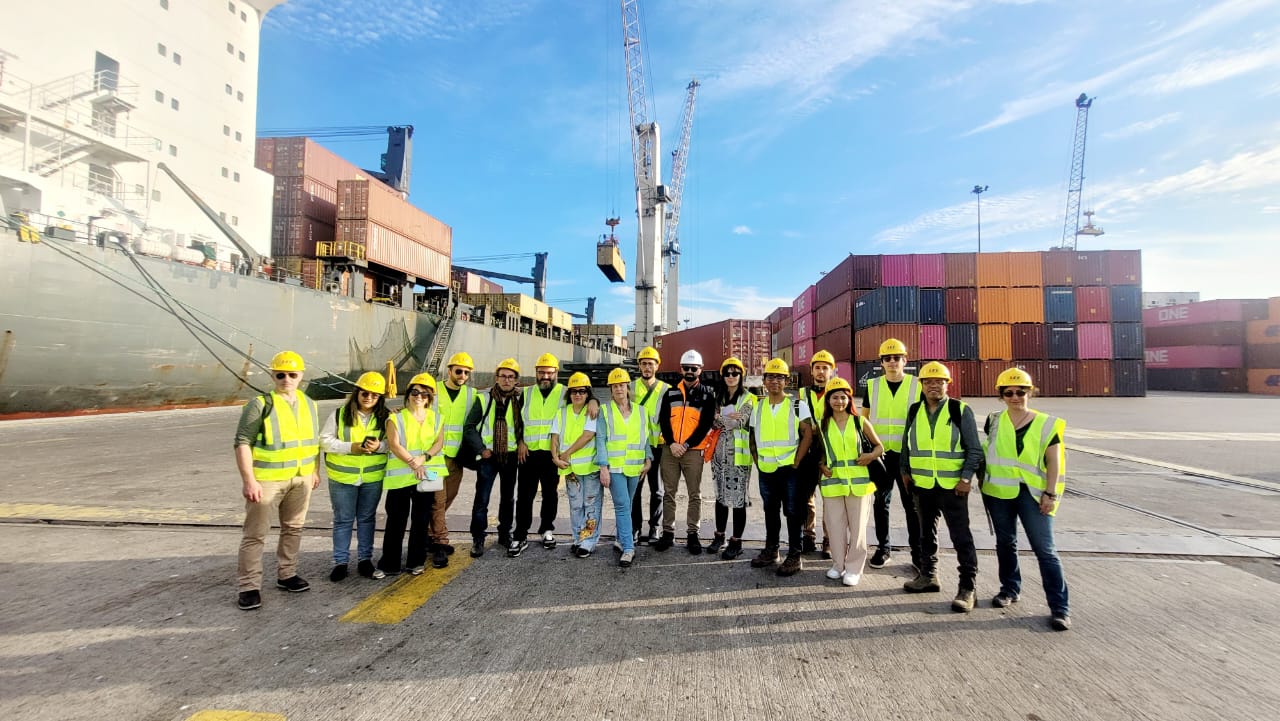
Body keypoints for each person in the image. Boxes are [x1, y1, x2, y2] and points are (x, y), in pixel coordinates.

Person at [981, 367, 1072, 631]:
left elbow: (1054, 461)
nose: (1015, 397)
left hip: (1033, 495)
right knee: (1005, 543)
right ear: (1001, 395)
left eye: (1020, 392)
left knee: (1045, 550)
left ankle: (1060, 608)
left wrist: (1050, 494)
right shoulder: (993, 420)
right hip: (999, 492)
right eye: (1008, 392)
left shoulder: (1047, 423)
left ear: (1030, 392)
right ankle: (1009, 589)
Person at [233, 350, 321, 611]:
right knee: (255, 534)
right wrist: (249, 480)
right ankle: (249, 586)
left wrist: (314, 471)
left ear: (301, 376)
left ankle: (287, 574)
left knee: (294, 528)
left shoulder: (310, 404)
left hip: (301, 478)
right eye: (280, 375)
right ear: (272, 376)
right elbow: (242, 442)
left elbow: (314, 442)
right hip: (268, 481)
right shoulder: (260, 404)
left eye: (292, 375)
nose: (286, 380)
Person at [900, 361, 984, 612]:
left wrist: (966, 478)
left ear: (948, 384)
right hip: (922, 484)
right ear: (922, 385)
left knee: (961, 537)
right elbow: (906, 444)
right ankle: (928, 576)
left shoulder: (960, 410)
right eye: (928, 382)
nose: (933, 386)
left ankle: (968, 588)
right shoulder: (915, 410)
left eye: (939, 381)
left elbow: (975, 450)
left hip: (952, 486)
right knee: (926, 534)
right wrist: (905, 471)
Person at [320, 371, 390, 582]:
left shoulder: (386, 417)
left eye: (374, 395)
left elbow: (393, 444)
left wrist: (379, 446)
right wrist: (351, 447)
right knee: (343, 520)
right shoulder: (339, 414)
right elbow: (324, 441)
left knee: (367, 519)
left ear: (380, 398)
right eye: (365, 393)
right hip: (343, 478)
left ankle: (364, 560)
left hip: (372, 478)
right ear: (357, 393)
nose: (369, 398)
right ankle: (340, 562)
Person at [861, 338, 923, 571]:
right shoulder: (873, 386)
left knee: (911, 506)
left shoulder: (917, 385)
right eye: (887, 358)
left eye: (897, 357)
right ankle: (883, 548)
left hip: (907, 456)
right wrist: (868, 450)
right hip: (881, 456)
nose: (892, 362)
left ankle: (917, 553)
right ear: (882, 362)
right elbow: (864, 419)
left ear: (905, 360)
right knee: (881, 503)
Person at [749, 357, 813, 577]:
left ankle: (795, 555)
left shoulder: (797, 405)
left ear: (787, 381)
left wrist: (797, 461)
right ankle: (771, 550)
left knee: (793, 512)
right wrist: (758, 461)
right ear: (764, 381)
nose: (774, 381)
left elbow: (808, 434)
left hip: (790, 469)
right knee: (770, 511)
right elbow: (752, 438)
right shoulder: (758, 407)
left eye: (779, 377)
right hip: (766, 470)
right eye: (770, 377)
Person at [816, 377, 883, 586]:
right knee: (834, 527)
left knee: (857, 528)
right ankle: (838, 565)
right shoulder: (823, 425)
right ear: (828, 400)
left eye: (843, 397)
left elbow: (879, 447)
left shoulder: (859, 422)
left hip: (859, 484)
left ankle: (854, 569)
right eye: (835, 397)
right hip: (833, 482)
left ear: (849, 399)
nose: (839, 401)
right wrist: (821, 465)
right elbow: (819, 453)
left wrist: (870, 456)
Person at [379, 373, 447, 575]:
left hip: (426, 475)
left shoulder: (436, 418)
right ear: (408, 394)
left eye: (424, 394)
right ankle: (390, 563)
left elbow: (439, 443)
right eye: (415, 392)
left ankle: (415, 561)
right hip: (401, 477)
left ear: (429, 398)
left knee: (421, 520)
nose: (419, 397)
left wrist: (423, 458)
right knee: (396, 521)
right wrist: (413, 462)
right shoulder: (395, 418)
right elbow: (394, 444)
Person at [655, 349, 718, 553]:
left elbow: (705, 424)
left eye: (694, 368)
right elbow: (664, 420)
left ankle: (693, 534)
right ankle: (668, 533)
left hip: (693, 451)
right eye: (686, 368)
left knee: (694, 494)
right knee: (669, 493)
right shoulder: (670, 393)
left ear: (700, 369)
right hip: (670, 449)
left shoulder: (707, 394)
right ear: (681, 369)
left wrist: (686, 445)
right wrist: (672, 443)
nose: (690, 371)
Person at [464, 358, 524, 557]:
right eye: (503, 376)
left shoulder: (520, 400)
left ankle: (504, 534)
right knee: (482, 499)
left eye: (511, 377)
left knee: (508, 498)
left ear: (516, 380)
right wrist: (481, 449)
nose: (506, 380)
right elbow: (469, 427)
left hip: (510, 456)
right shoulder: (484, 399)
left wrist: (522, 442)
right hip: (488, 456)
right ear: (496, 378)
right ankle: (478, 538)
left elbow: (525, 426)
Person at [595, 368, 652, 568]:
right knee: (622, 505)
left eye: (621, 385)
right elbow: (600, 440)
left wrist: (648, 459)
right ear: (610, 389)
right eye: (615, 386)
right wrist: (603, 467)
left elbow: (645, 437)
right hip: (615, 467)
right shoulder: (604, 411)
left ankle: (620, 539)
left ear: (627, 387)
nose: (618, 389)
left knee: (628, 505)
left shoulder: (641, 411)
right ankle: (628, 548)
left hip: (635, 466)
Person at [430, 351, 480, 566]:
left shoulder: (472, 394)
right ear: (449, 370)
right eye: (458, 371)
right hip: (434, 456)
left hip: (457, 458)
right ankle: (440, 543)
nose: (462, 376)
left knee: (449, 496)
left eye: (466, 373)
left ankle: (429, 534)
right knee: (437, 500)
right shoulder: (433, 390)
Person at [515, 353, 568, 555]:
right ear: (536, 373)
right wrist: (520, 441)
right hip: (528, 452)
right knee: (524, 495)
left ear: (556, 373)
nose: (545, 376)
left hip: (551, 454)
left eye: (549, 372)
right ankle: (520, 533)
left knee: (550, 494)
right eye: (541, 372)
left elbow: (586, 399)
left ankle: (547, 529)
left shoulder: (565, 393)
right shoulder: (526, 393)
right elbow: (517, 421)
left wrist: (594, 402)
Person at [708, 356, 756, 560]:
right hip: (719, 456)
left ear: (741, 375)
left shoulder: (749, 398)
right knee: (720, 497)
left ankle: (736, 542)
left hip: (738, 458)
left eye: (735, 373)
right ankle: (719, 536)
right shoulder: (717, 397)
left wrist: (721, 418)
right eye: (727, 373)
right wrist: (723, 418)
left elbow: (739, 422)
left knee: (738, 500)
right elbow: (711, 422)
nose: (731, 376)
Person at [551, 373, 601, 557]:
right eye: (574, 391)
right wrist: (555, 457)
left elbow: (588, 435)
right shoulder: (562, 412)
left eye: (582, 391)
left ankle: (588, 541)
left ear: (588, 393)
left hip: (590, 468)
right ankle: (578, 538)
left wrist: (566, 454)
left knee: (591, 505)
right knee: (575, 505)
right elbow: (554, 437)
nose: (578, 394)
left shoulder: (592, 411)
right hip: (570, 469)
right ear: (569, 393)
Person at [797, 349, 837, 557]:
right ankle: (808, 536)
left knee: (829, 498)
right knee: (807, 497)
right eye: (818, 368)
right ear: (811, 371)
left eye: (825, 368)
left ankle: (828, 539)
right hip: (809, 451)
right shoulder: (802, 394)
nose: (821, 372)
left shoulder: (838, 392)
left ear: (832, 371)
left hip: (831, 453)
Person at [631, 346, 669, 545]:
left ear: (657, 366)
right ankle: (635, 528)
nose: (647, 367)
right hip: (636, 447)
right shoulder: (629, 388)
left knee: (657, 490)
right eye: (644, 363)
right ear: (639, 366)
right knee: (635, 490)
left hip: (658, 447)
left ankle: (655, 527)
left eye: (650, 364)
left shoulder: (666, 389)